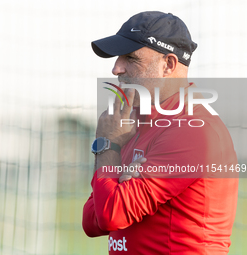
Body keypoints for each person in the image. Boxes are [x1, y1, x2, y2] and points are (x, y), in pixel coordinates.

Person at [82, 11, 238, 254]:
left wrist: (107, 144)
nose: (116, 68)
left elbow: (109, 215)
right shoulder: (134, 124)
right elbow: (91, 221)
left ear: (169, 65)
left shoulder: (193, 129)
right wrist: (114, 173)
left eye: (130, 58)